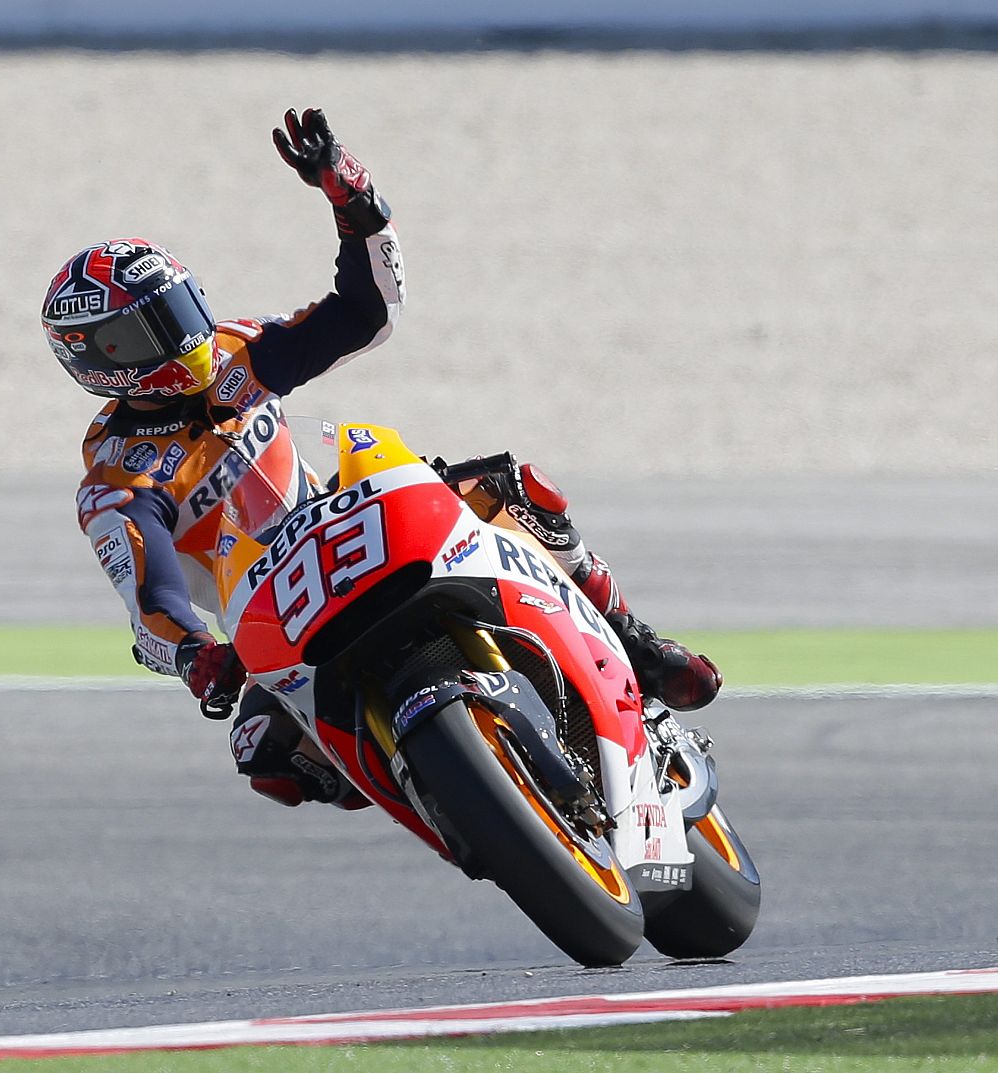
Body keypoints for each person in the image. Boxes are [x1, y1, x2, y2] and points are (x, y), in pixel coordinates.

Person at [41, 107, 721, 810]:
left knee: (510, 485)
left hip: (348, 524)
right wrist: (194, 656)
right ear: (99, 360)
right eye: (149, 329)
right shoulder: (118, 479)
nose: (185, 336)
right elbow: (150, 599)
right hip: (274, 610)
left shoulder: (236, 353)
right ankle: (434, 780)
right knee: (265, 755)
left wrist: (351, 197)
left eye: (182, 309)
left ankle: (634, 641)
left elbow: (364, 313)